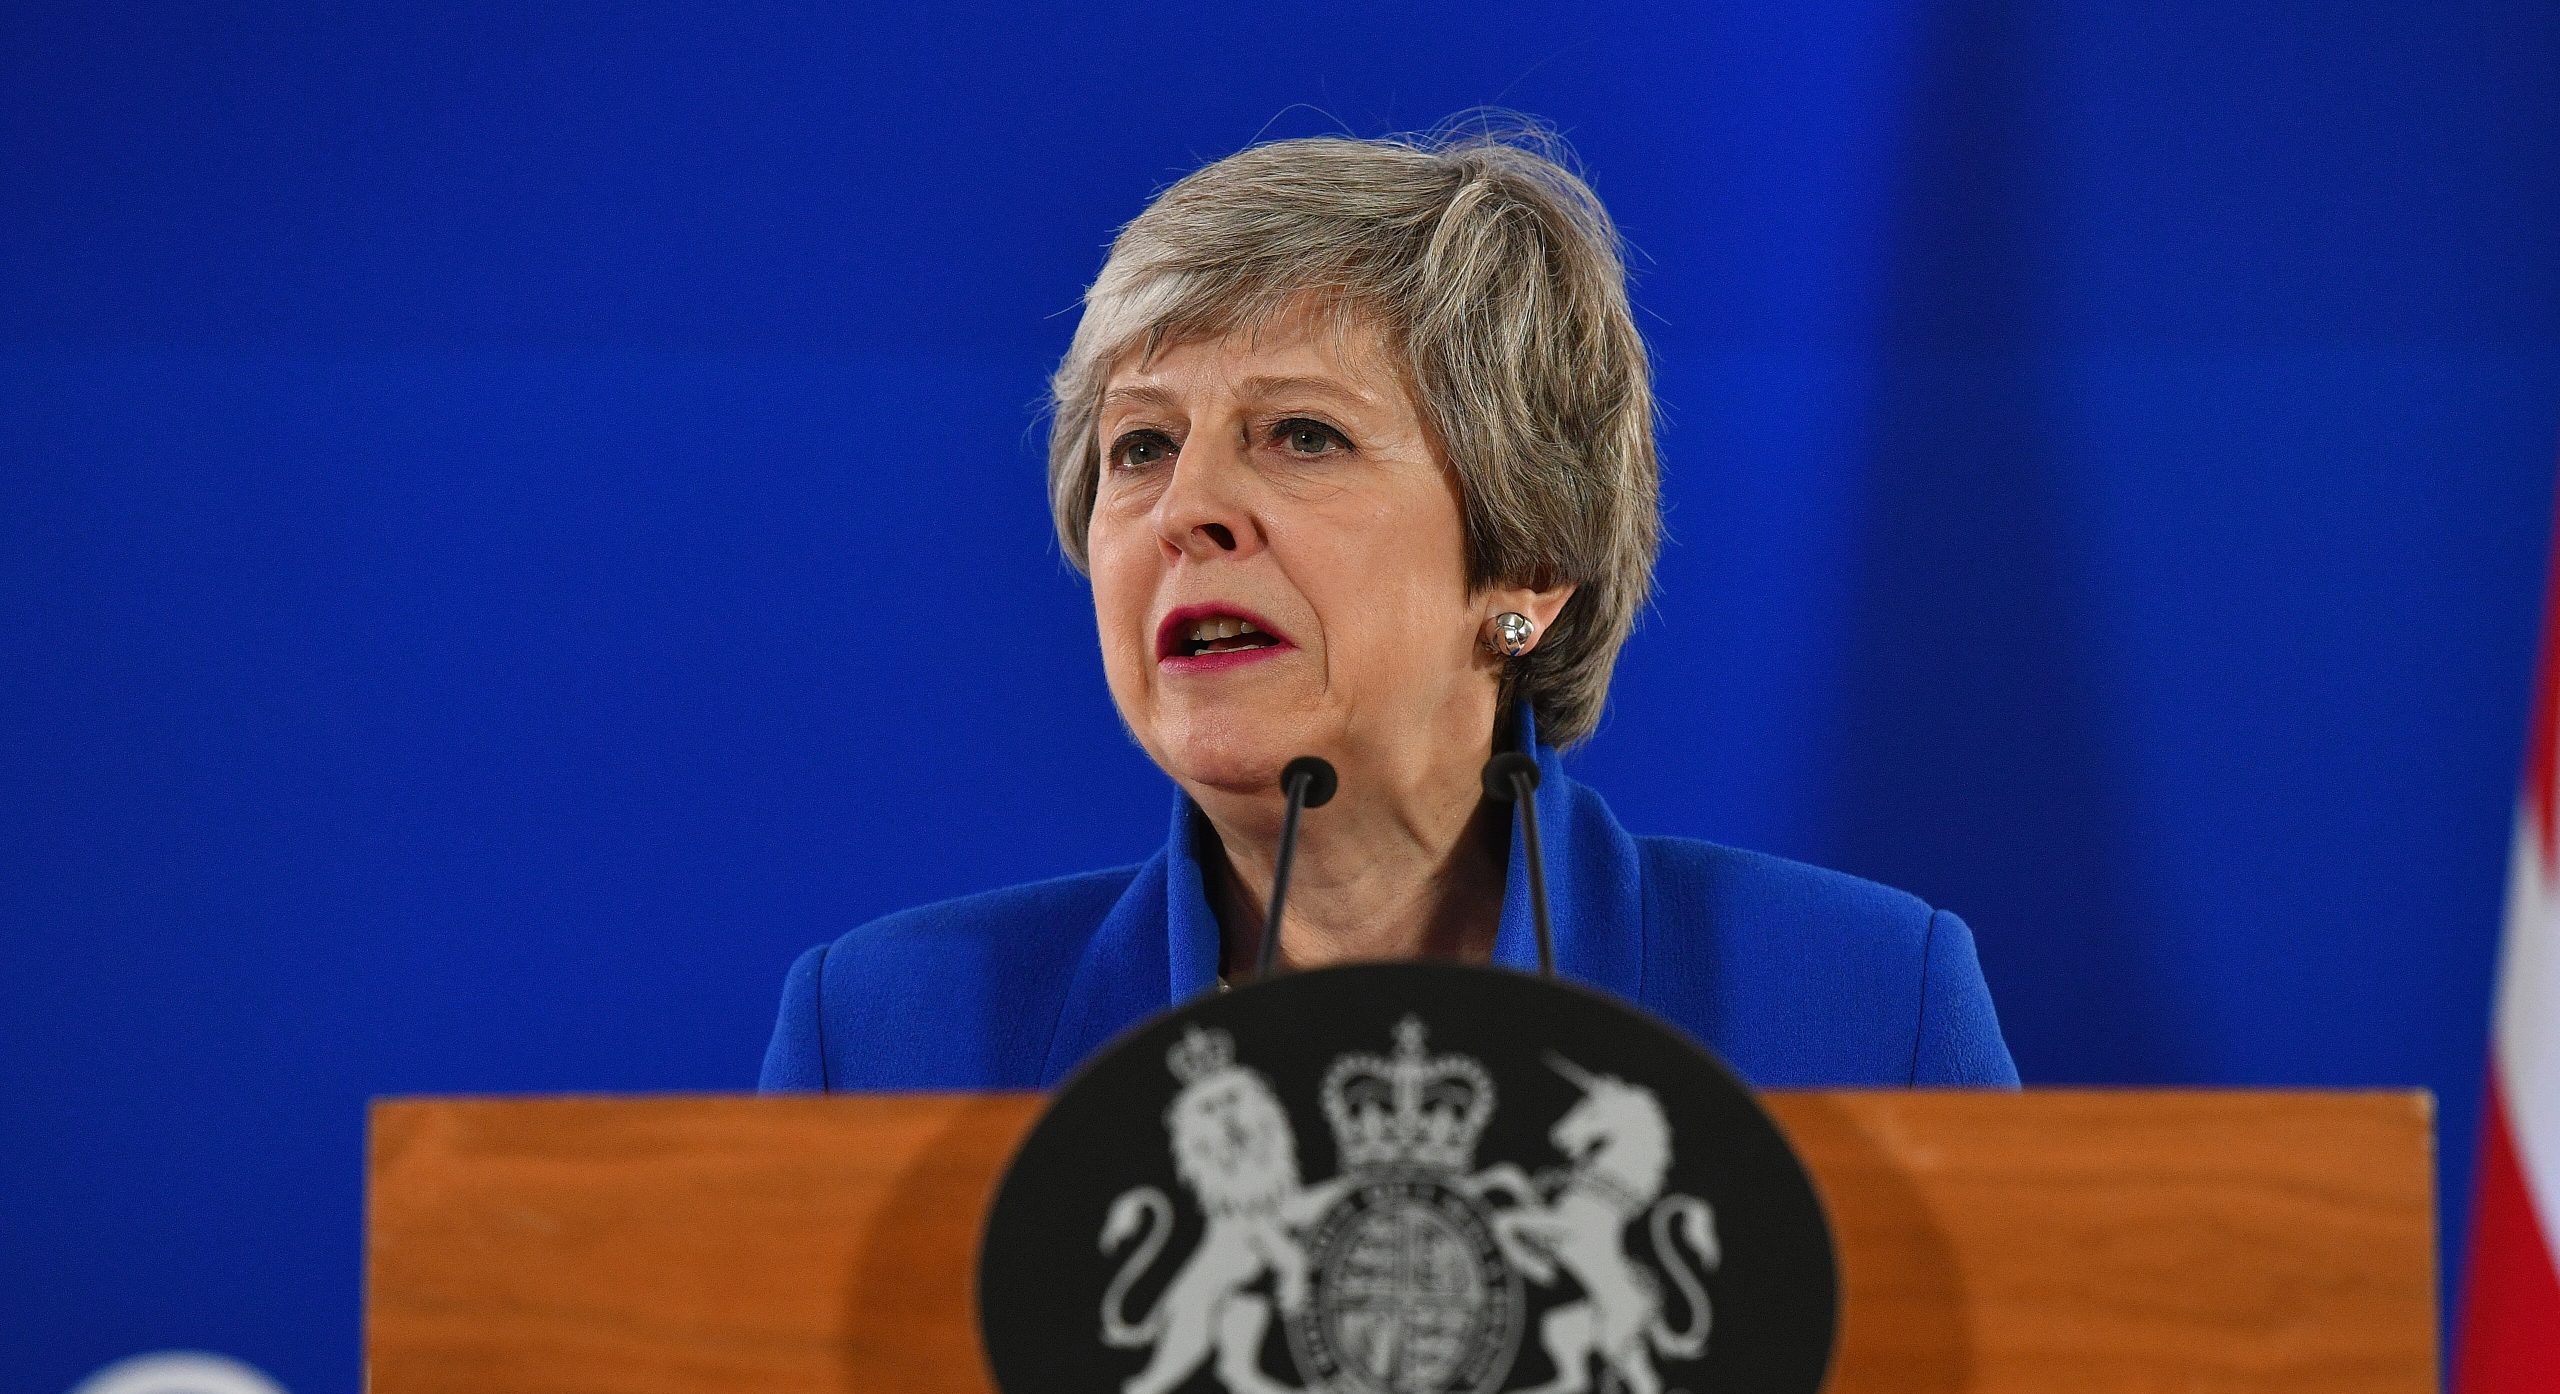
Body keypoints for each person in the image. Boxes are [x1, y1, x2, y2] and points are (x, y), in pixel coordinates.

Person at [761, 124, 2017, 1094]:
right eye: (1138, 447)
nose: (1185, 508)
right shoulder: (884, 1036)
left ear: (1526, 563)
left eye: (1299, 434)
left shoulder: (1861, 1004)